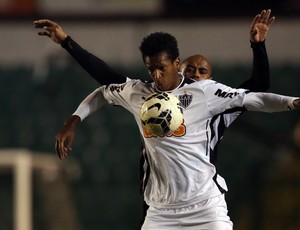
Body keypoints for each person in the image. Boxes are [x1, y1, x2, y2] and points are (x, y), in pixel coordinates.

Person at [53, 29, 300, 229]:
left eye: (162, 67)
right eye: (151, 69)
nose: (157, 75)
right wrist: (72, 121)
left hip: (205, 207)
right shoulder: (140, 92)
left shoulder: (206, 93)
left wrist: (292, 102)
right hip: (161, 212)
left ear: (175, 63)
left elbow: (256, 96)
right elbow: (104, 86)